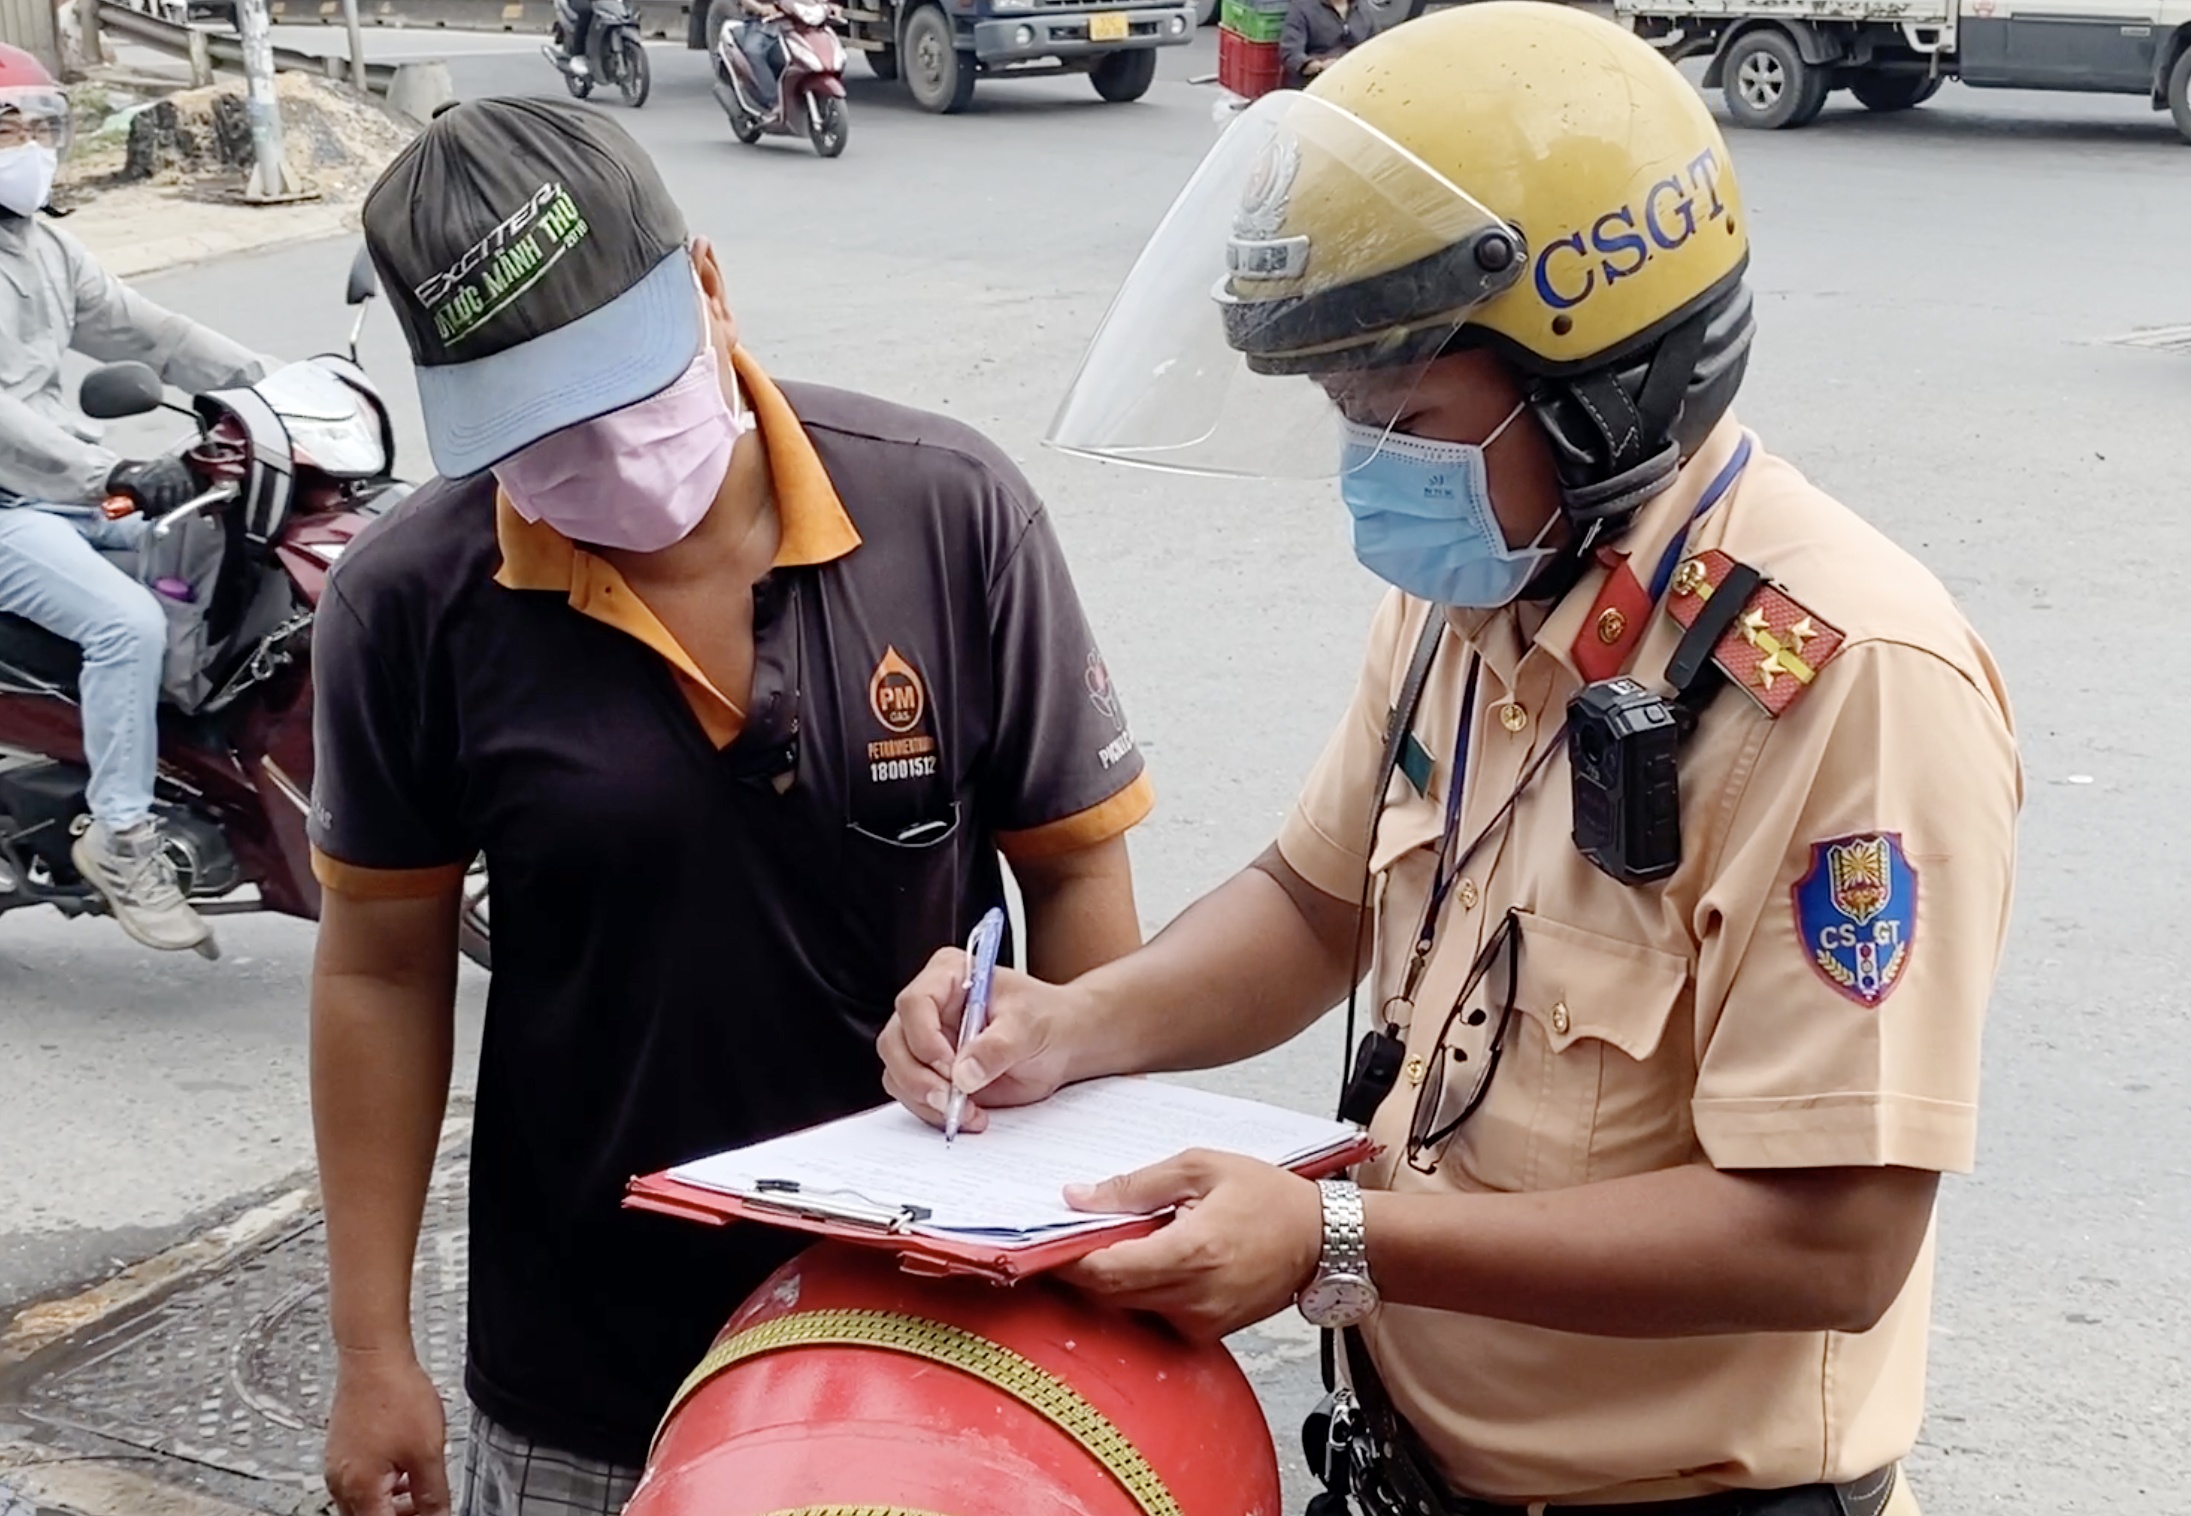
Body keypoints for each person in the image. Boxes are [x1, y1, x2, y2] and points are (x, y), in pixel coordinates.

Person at [879, 8, 2020, 1514]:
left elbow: (1833, 1242)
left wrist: (1336, 1238)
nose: (1371, 467)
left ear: (1602, 392)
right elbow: (1313, 902)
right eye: (1345, 418)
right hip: (1410, 1470)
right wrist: (1068, 1027)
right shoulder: (1480, 584)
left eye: (1405, 418)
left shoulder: (1845, 682)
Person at [310, 97, 1152, 1516]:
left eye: (620, 388)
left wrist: (1095, 1227)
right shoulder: (408, 606)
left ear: (707, 284)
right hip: (590, 1371)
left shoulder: (949, 513)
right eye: (535, 429)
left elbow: (1074, 880)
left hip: (931, 1337)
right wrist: (370, 1350)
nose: (601, 454)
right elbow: (381, 971)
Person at [0, 42, 268, 956]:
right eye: (8, 126)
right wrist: (106, 474)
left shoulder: (44, 247)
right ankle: (122, 836)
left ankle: (197, 771)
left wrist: (272, 387)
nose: (31, 144)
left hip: (67, 497)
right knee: (127, 625)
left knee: (218, 546)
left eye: (42, 125)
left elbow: (148, 332)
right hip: (13, 511)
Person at [1278, 0, 1382, 88]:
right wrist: (1319, 66)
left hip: (1357, 81)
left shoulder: (1364, 8)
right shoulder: (1302, 7)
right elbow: (1290, 53)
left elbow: (1377, 46)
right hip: (1316, 84)